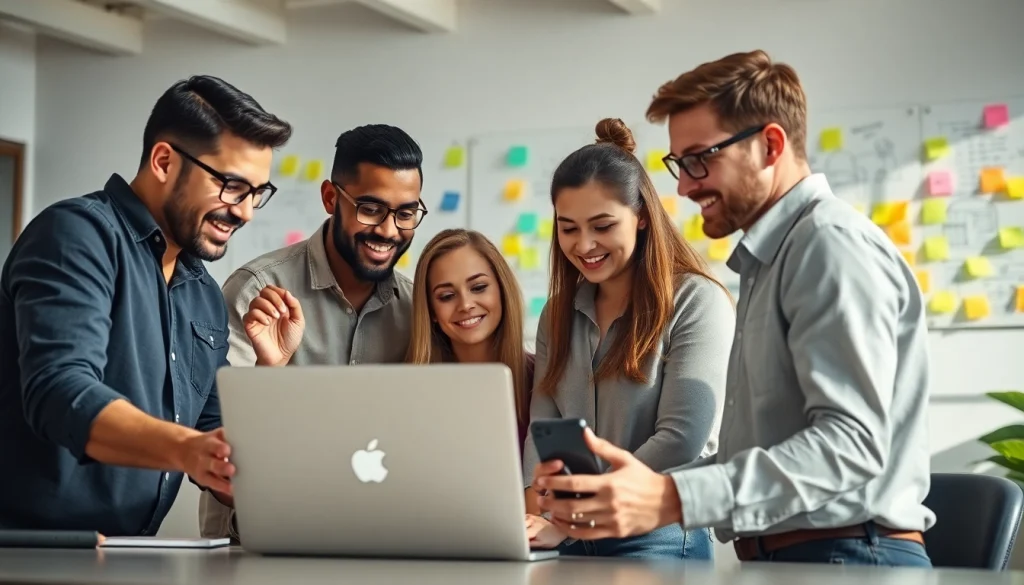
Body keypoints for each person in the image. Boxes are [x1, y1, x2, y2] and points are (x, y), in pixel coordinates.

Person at [531, 50, 934, 567]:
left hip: (849, 554)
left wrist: (670, 497)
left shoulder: (828, 246)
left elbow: (851, 444)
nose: (683, 185)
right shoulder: (772, 261)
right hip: (798, 556)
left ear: (770, 145)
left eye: (701, 158)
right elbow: (761, 455)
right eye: (679, 164)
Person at [0, 75, 292, 536]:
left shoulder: (202, 291)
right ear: (163, 161)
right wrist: (185, 449)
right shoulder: (76, 235)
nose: (245, 211)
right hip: (36, 555)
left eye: (257, 193)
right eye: (233, 186)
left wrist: (270, 371)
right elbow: (61, 392)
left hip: (132, 556)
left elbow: (212, 448)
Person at [522, 118, 735, 560]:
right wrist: (543, 511)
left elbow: (683, 438)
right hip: (567, 537)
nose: (584, 244)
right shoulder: (556, 315)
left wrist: (578, 513)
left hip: (658, 536)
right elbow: (541, 433)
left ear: (640, 217)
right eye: (568, 228)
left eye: (602, 225)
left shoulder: (696, 300)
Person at [199, 124, 424, 539]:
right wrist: (273, 371)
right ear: (330, 198)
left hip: (378, 538)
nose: (390, 230)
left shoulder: (416, 310)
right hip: (256, 543)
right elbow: (217, 440)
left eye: (406, 213)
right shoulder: (258, 290)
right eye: (371, 208)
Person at [405, 228, 533, 455]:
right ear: (432, 311)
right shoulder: (412, 391)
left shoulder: (545, 379)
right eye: (446, 296)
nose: (465, 304)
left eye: (479, 287)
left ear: (502, 290)